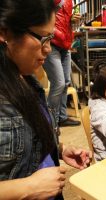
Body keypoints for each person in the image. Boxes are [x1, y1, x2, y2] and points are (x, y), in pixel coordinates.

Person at [0, 0, 91, 199]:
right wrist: (27, 187)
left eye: (50, 38)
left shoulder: (27, 79)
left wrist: (58, 149)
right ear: (5, 33)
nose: (48, 48)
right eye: (43, 37)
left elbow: (21, 138)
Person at [43, 0, 81, 127]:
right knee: (58, 83)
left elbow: (64, 20)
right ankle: (49, 121)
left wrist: (72, 19)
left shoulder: (69, 1)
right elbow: (42, 16)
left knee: (65, 82)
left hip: (65, 44)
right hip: (51, 43)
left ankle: (62, 117)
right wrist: (55, 34)